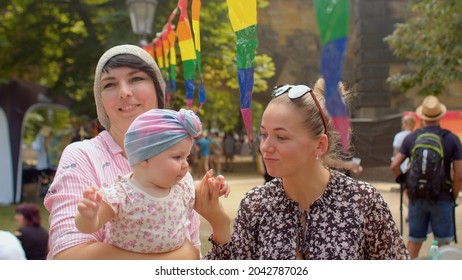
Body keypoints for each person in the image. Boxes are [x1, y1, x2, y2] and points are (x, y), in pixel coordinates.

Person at [196, 82, 409, 259]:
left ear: (320, 145)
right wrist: (219, 223)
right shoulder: (256, 204)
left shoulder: (362, 201)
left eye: (281, 137)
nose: (265, 147)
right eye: (264, 135)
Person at [44, 44, 203, 259]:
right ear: (101, 102)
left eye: (136, 79)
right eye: (109, 84)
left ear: (158, 89)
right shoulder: (82, 156)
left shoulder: (176, 167)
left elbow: (194, 251)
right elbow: (69, 258)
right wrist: (178, 257)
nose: (124, 93)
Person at [75, 109, 228, 255]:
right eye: (177, 157)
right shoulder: (122, 194)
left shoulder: (181, 186)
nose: (186, 164)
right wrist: (88, 217)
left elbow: (198, 192)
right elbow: (89, 227)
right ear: (145, 158)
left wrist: (213, 188)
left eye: (186, 157)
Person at [391, 95, 462, 259]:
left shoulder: (412, 138)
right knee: (444, 245)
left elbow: (394, 166)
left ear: (422, 117)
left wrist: (406, 185)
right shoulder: (451, 139)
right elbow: (459, 175)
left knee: (414, 243)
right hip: (443, 196)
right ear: (440, 116)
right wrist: (453, 195)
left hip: (417, 197)